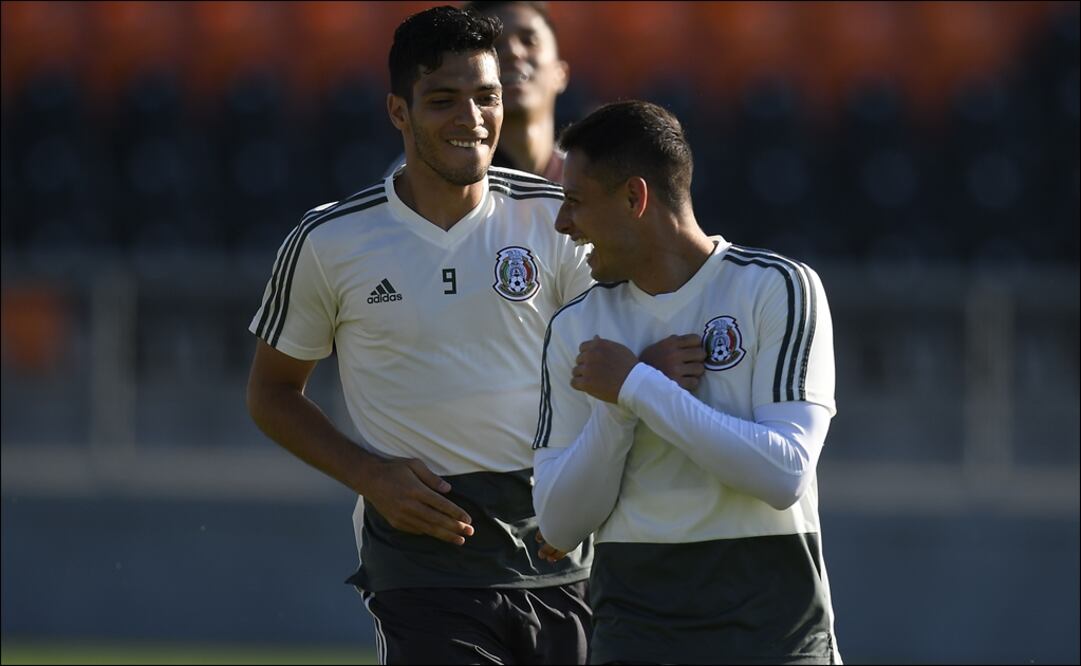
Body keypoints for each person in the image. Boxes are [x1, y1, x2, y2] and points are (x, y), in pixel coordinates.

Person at [246, 7, 595, 664]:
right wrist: (369, 475)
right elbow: (271, 393)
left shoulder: (558, 220)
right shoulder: (329, 240)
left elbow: (611, 363)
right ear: (398, 112)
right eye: (443, 100)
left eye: (485, 97)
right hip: (423, 569)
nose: (472, 118)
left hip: (561, 560)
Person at [531, 100, 842, 665]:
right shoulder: (575, 325)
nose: (562, 224)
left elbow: (785, 473)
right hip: (636, 636)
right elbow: (559, 520)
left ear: (634, 197)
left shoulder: (778, 288)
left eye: (574, 202)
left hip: (774, 637)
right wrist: (619, 408)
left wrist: (639, 386)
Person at [385, 1, 570, 182]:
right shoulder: (416, 182)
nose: (513, 52)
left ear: (560, 73)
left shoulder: (589, 180)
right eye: (497, 45)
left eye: (529, 40)